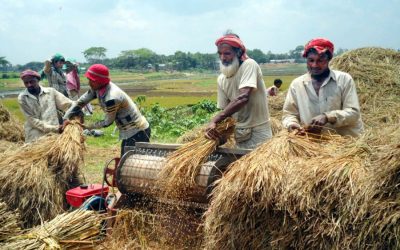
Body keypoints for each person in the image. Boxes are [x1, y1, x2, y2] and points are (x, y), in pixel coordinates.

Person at [282, 38, 364, 137]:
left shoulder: (344, 80)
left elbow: (354, 113)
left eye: (320, 60)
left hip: (345, 144)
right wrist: (292, 125)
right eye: (311, 60)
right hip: (314, 144)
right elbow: (289, 114)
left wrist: (327, 117)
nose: (314, 65)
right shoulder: (297, 84)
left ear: (329, 59)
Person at [64, 64, 151, 156]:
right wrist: (66, 118)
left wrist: (87, 126)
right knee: (126, 162)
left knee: (132, 164)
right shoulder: (97, 88)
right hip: (128, 132)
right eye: (89, 80)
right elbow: (80, 102)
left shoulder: (112, 97)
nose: (89, 83)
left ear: (100, 81)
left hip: (137, 131)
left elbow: (107, 122)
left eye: (92, 80)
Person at [205, 32, 272, 149]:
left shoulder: (249, 65)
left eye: (227, 53)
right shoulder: (221, 79)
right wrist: (217, 133)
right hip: (240, 135)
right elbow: (226, 112)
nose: (222, 57)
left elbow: (243, 97)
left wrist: (215, 119)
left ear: (238, 52)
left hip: (259, 133)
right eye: (220, 54)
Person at [17, 69, 72, 143]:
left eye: (32, 81)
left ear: (38, 80)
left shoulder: (51, 92)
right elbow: (32, 120)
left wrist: (75, 110)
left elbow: (66, 104)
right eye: (26, 83)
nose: (29, 85)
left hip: (53, 135)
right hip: (35, 136)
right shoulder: (22, 98)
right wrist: (55, 128)